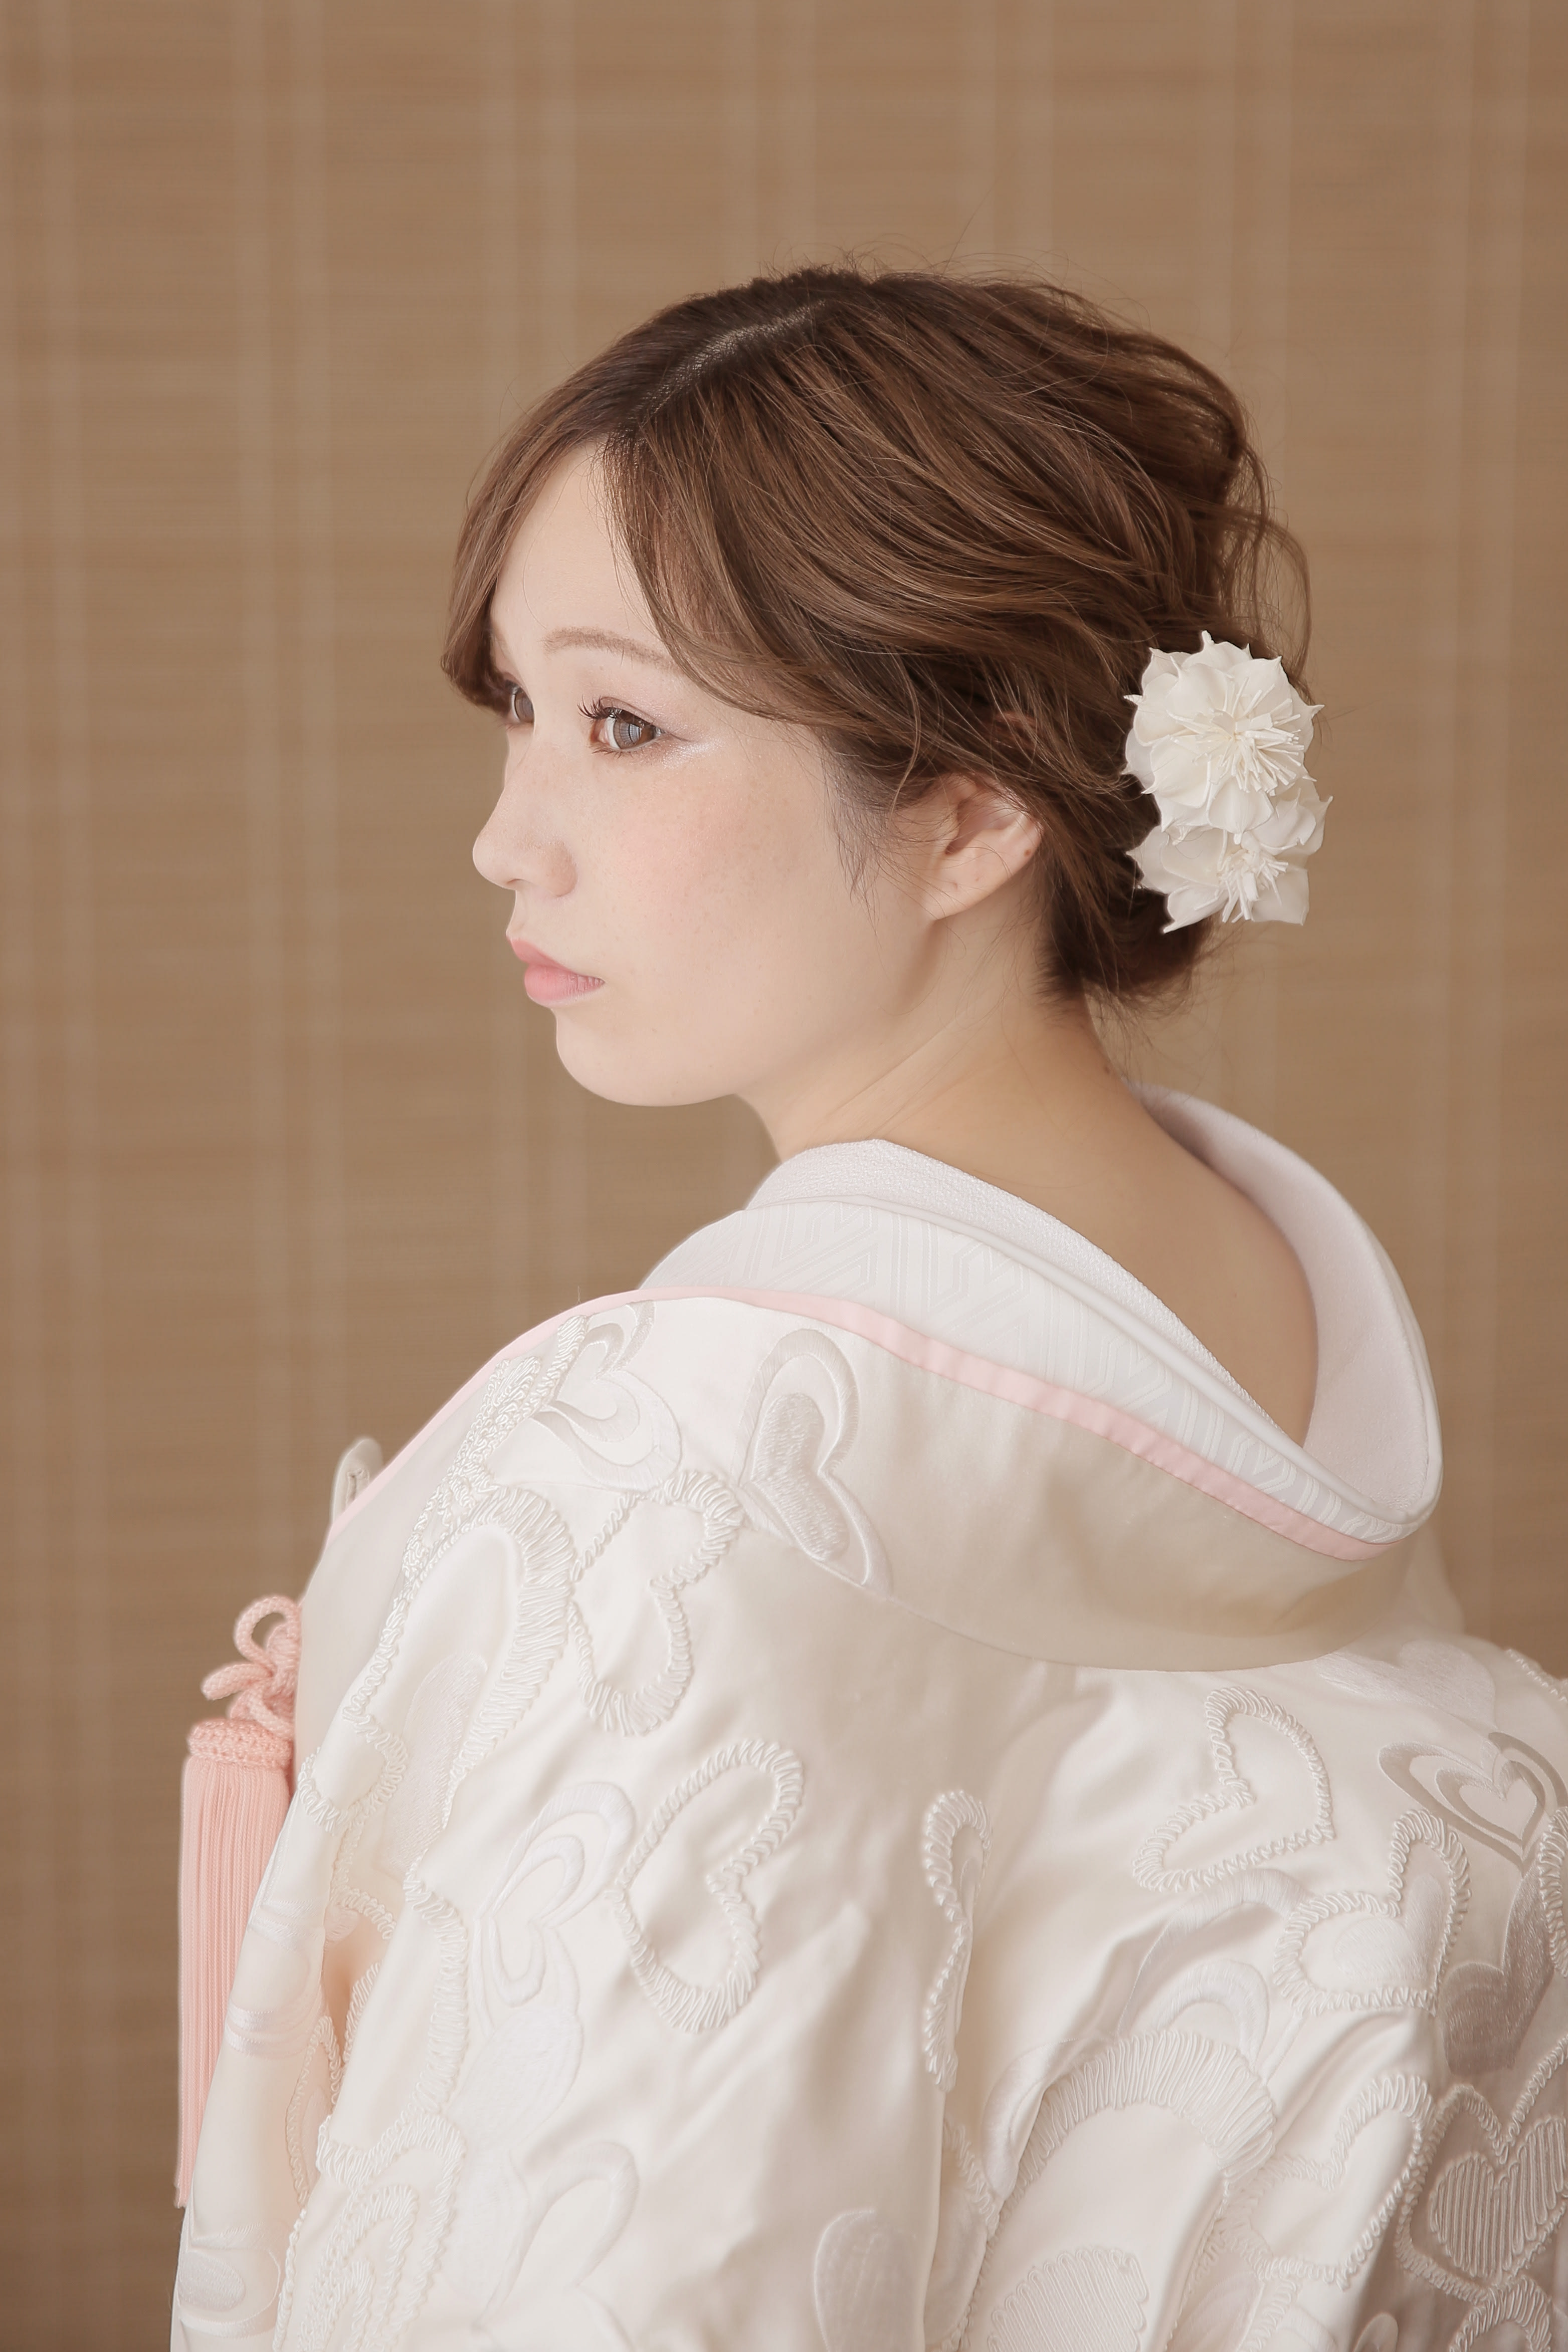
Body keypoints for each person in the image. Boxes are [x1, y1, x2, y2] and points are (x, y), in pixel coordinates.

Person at [172, 266, 1568, 2351]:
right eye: (518, 711)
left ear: (969, 808)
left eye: (623, 726)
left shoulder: (680, 1457)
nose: (506, 839)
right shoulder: (1274, 1309)